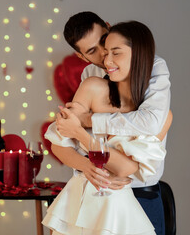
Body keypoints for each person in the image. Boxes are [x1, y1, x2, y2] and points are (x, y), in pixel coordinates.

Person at [42, 20, 172, 235]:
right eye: (95, 51)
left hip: (141, 195)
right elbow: (60, 141)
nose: (105, 56)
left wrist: (83, 128)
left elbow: (126, 168)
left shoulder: (156, 106)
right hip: (88, 199)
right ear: (82, 56)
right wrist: (87, 166)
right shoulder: (92, 84)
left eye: (111, 48)